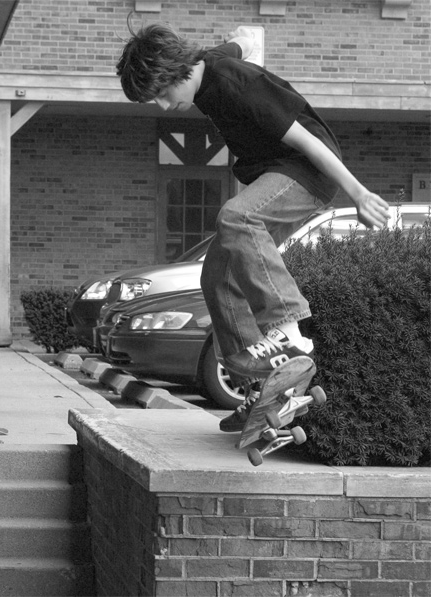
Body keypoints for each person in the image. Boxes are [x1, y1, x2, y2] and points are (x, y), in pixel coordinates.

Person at [116, 23, 390, 431]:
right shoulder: (205, 64)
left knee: (236, 216)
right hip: (275, 175)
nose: (161, 104)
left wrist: (359, 193)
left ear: (171, 72)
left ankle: (288, 331)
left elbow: (309, 142)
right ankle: (262, 391)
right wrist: (249, 38)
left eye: (159, 92)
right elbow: (246, 40)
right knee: (217, 278)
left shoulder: (235, 84)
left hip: (304, 173)